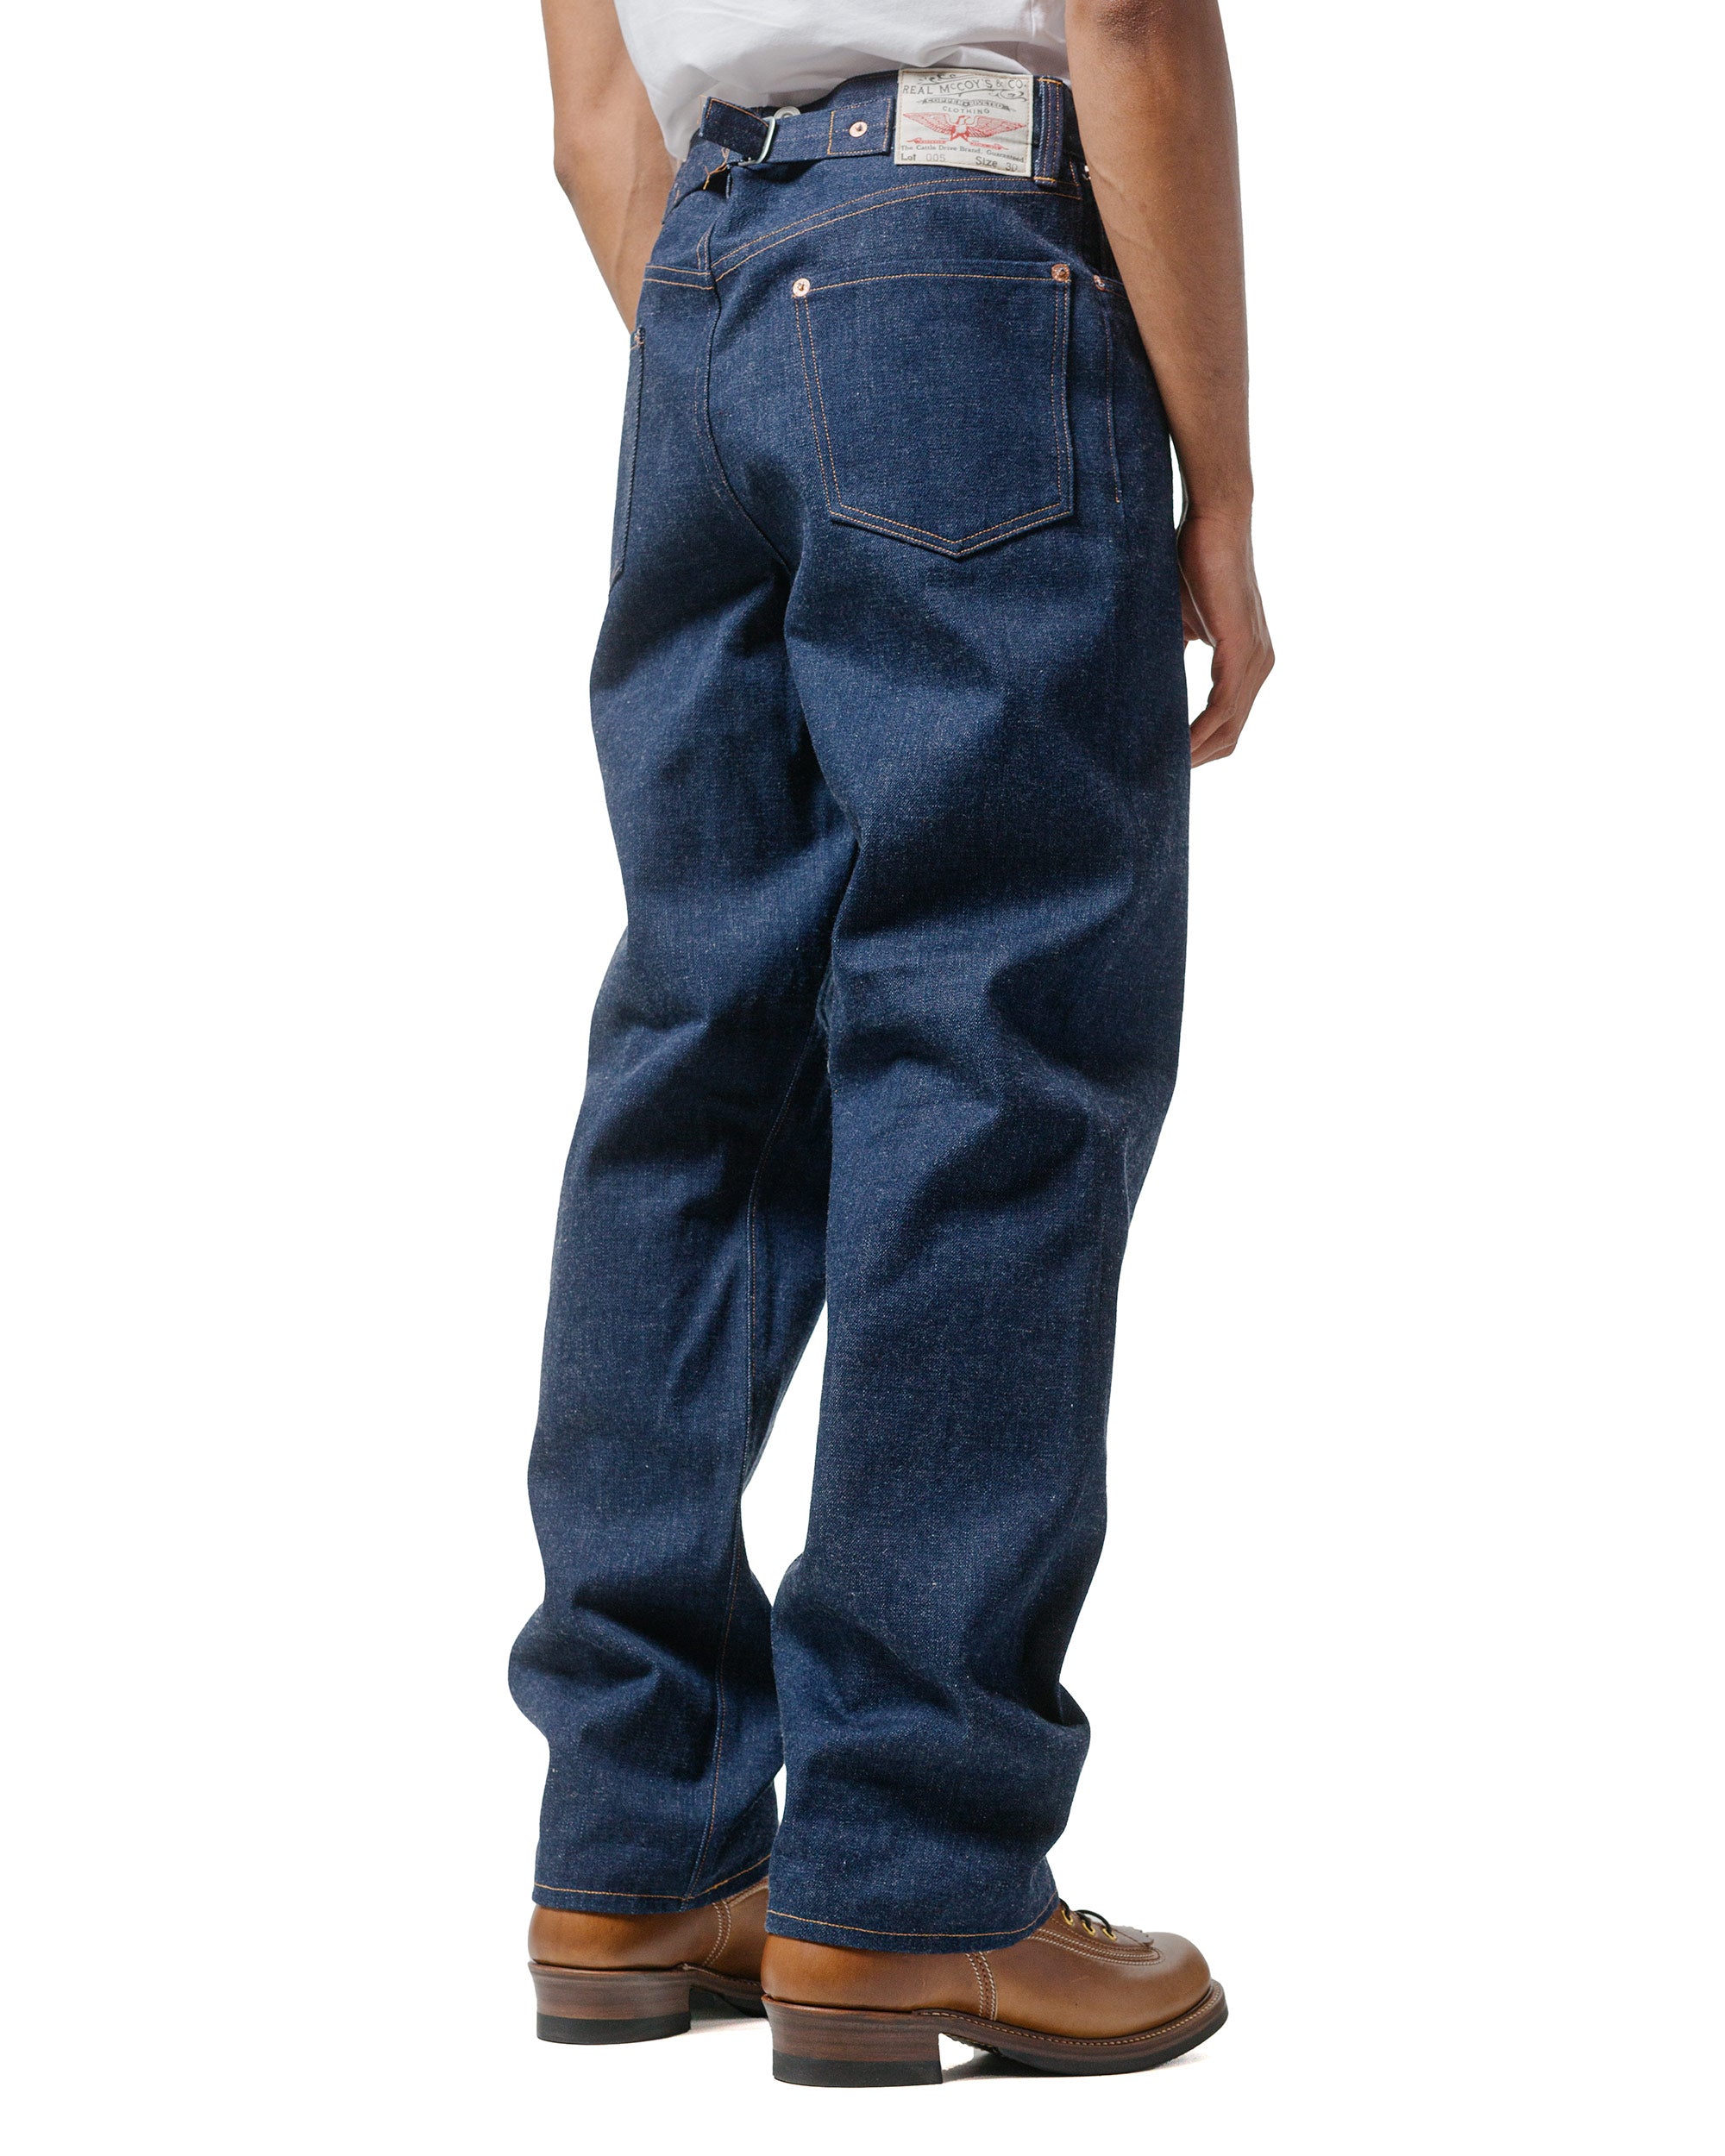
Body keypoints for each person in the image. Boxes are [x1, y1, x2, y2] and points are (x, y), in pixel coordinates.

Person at [509, 0, 1273, 2087]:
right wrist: (1217, 480)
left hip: (701, 301)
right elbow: (1125, 19)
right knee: (993, 1057)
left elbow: (592, 125)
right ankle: (913, 1871)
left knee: (697, 1066)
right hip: (965, 252)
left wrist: (764, 349)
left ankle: (638, 1845)